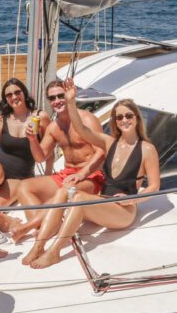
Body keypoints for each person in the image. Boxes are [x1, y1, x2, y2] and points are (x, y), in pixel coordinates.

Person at [26, 82, 160, 269]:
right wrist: (71, 102)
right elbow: (82, 130)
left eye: (129, 116)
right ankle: (38, 246)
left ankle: (54, 252)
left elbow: (154, 186)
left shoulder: (147, 149)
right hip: (102, 202)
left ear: (137, 118)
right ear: (115, 121)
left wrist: (133, 200)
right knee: (66, 190)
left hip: (124, 211)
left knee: (78, 197)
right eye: (119, 117)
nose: (124, 120)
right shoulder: (109, 142)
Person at [10, 80, 106, 249]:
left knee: (65, 190)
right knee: (24, 186)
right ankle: (45, 225)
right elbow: (40, 157)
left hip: (92, 177)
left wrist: (82, 173)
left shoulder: (88, 119)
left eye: (61, 96)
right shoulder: (54, 127)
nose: (57, 101)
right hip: (67, 175)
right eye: (52, 98)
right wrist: (32, 139)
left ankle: (28, 227)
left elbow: (101, 152)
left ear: (68, 95)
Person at [0, 78, 50, 204]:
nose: (14, 97)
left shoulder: (40, 118)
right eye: (9, 95)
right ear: (6, 99)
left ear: (24, 93)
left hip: (21, 175)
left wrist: (48, 175)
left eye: (17, 92)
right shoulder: (2, 118)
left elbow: (50, 149)